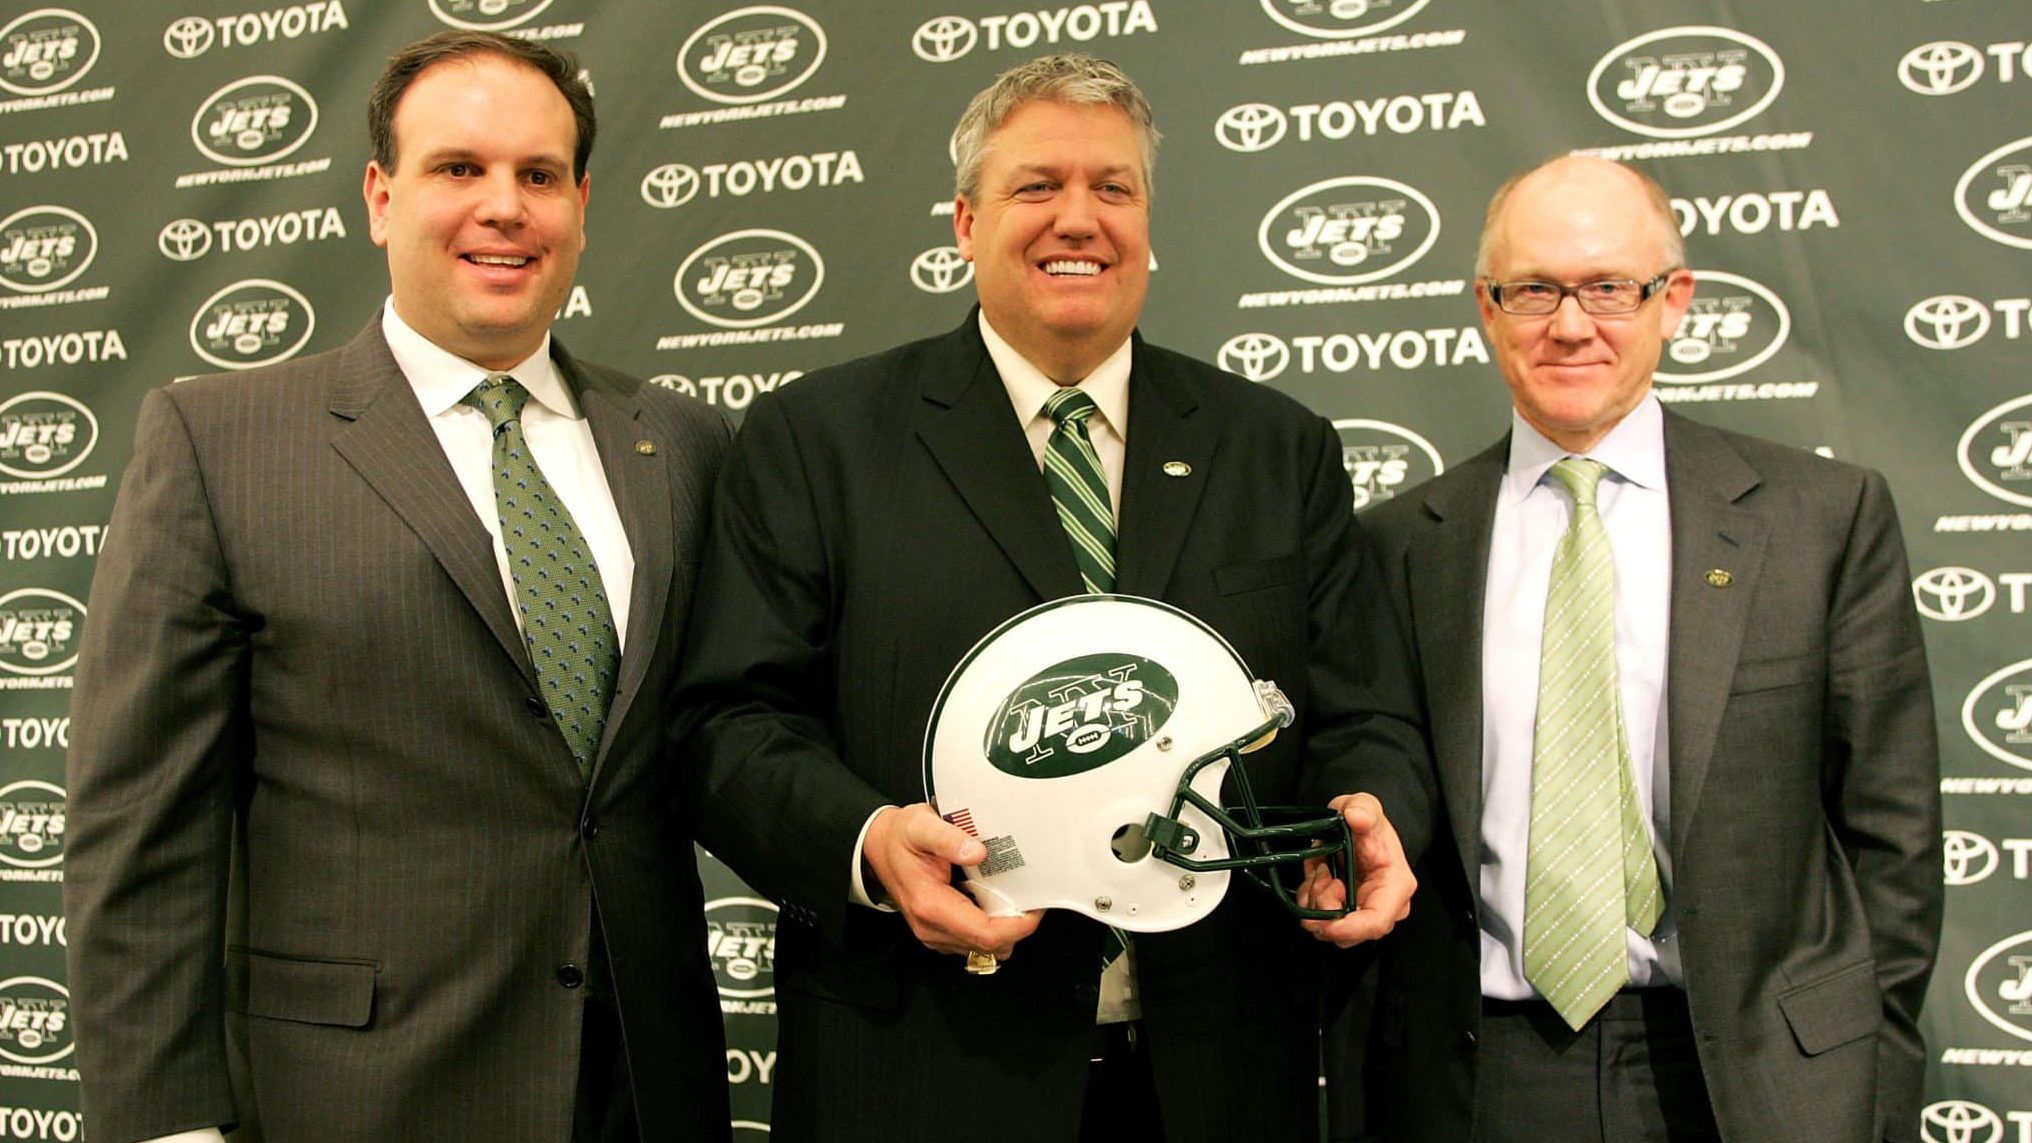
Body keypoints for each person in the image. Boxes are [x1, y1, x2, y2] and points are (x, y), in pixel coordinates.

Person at [672, 53, 1432, 1143]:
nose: (1078, 219)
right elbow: (727, 725)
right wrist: (872, 841)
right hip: (920, 1068)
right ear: (965, 222)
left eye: (1112, 188)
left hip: (1215, 1072)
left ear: (1148, 221)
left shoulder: (1277, 449)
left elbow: (1365, 717)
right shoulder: (819, 440)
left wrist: (1367, 817)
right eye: (1037, 186)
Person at [63, 30, 733, 1143]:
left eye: (538, 176)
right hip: (355, 1098)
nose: (504, 208)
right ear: (381, 196)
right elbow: (140, 827)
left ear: (579, 204)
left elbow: (731, 741)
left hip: (645, 1095)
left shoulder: (686, 442)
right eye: (458, 169)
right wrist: (163, 1124)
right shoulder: (219, 442)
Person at [1358, 155, 1942, 1142]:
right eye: (1533, 289)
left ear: (1673, 302)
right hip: (1489, 1076)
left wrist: (1867, 1072)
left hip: (1759, 1077)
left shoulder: (1818, 519)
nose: (1570, 324)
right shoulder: (1402, 543)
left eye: (1607, 289)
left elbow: (1893, 834)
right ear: (1485, 308)